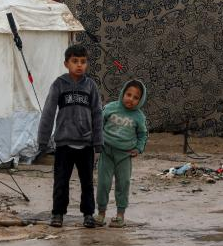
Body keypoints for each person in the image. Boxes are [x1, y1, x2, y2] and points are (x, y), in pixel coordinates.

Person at [37, 44, 103, 228]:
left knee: (87, 182)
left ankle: (88, 214)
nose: (79, 65)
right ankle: (57, 213)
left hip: (86, 144)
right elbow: (48, 112)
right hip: (64, 144)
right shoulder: (59, 84)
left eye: (83, 61)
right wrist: (43, 141)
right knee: (61, 181)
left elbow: (98, 114)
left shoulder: (91, 86)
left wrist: (98, 141)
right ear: (66, 64)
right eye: (75, 61)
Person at [95, 80, 147, 228]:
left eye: (136, 97)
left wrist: (138, 148)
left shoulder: (139, 117)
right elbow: (98, 124)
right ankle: (101, 214)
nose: (131, 99)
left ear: (140, 100)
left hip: (124, 156)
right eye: (128, 94)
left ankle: (120, 216)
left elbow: (143, 134)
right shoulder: (110, 108)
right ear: (123, 93)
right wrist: (97, 142)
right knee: (103, 183)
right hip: (106, 152)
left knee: (123, 184)